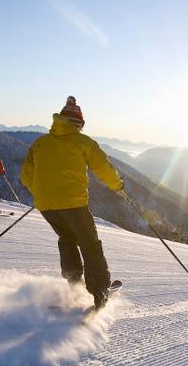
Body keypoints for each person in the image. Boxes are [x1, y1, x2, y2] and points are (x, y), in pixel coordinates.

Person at [21, 96, 124, 309]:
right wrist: (118, 186)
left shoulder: (40, 143)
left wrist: (43, 192)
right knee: (89, 243)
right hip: (74, 204)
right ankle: (99, 290)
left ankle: (74, 285)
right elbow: (103, 168)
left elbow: (25, 176)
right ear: (78, 124)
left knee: (66, 239)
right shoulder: (83, 142)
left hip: (46, 205)